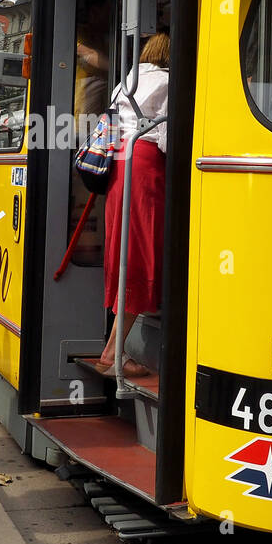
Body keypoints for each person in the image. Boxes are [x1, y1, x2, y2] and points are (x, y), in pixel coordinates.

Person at [97, 32, 169, 376]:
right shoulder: (170, 82)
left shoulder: (125, 83)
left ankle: (113, 348)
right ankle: (113, 352)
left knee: (123, 252)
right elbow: (170, 141)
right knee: (141, 254)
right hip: (146, 167)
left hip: (119, 167)